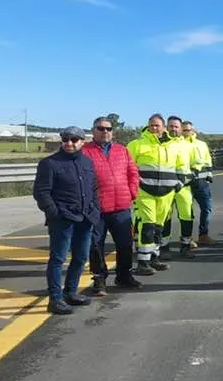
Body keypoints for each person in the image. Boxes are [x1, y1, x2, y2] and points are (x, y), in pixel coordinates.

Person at [33, 127, 101, 315]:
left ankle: (70, 292)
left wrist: (95, 210)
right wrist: (54, 212)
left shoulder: (87, 162)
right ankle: (55, 299)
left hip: (85, 218)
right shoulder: (50, 163)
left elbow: (93, 189)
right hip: (63, 219)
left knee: (80, 257)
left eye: (73, 139)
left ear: (82, 141)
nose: (69, 143)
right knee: (58, 259)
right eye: (65, 139)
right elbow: (41, 192)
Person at [82, 116, 142, 295]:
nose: (105, 132)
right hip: (97, 208)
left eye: (108, 129)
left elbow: (133, 173)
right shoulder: (85, 151)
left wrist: (132, 192)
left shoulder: (122, 150)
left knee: (125, 243)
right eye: (101, 128)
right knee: (95, 245)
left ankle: (124, 275)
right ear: (93, 131)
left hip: (121, 206)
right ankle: (99, 279)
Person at [127, 114, 185, 275]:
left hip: (166, 193)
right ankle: (142, 262)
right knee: (148, 224)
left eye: (157, 126)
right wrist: (134, 186)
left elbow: (181, 167)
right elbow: (128, 167)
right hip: (145, 191)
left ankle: (154, 257)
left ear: (164, 127)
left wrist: (178, 184)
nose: (154, 128)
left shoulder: (174, 146)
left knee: (159, 227)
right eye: (151, 125)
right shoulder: (136, 144)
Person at [160, 116, 196, 260]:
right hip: (166, 189)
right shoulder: (161, 143)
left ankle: (185, 246)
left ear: (181, 128)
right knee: (165, 217)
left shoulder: (188, 145)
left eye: (176, 126)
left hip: (184, 188)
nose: (173, 129)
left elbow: (195, 164)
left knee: (187, 215)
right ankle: (164, 247)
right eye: (171, 126)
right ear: (166, 127)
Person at [183, 121, 216, 245]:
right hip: (187, 183)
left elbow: (208, 160)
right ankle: (188, 238)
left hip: (202, 183)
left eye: (189, 130)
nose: (187, 132)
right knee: (187, 213)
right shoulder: (179, 144)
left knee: (207, 209)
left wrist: (209, 175)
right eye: (184, 130)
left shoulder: (202, 144)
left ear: (193, 130)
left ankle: (203, 235)